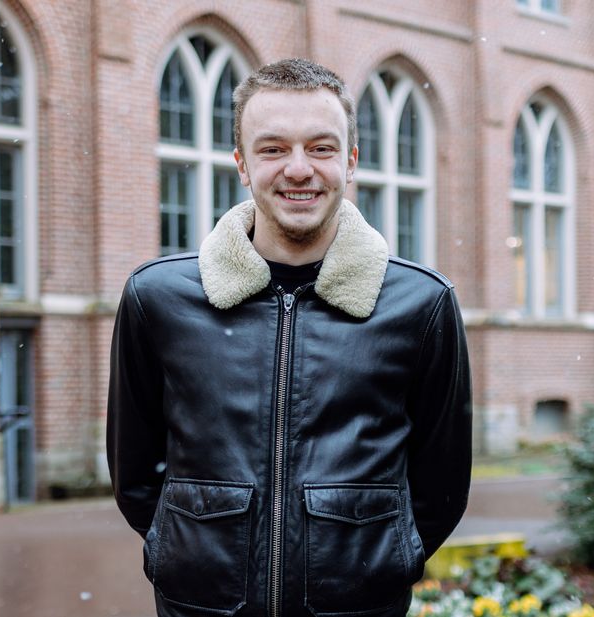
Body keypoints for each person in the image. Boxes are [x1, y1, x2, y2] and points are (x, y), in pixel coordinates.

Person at [107, 58, 472, 617]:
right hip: (201, 606)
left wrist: (382, 565)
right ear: (242, 165)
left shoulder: (422, 305)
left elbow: (440, 484)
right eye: (273, 148)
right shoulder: (156, 298)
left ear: (350, 162)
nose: (298, 169)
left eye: (321, 148)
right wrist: (177, 549)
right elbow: (136, 471)